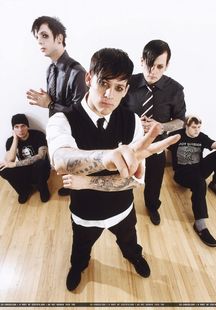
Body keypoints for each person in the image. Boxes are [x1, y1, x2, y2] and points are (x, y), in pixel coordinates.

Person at [46, 48, 180, 291]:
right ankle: (78, 266)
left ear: (126, 89)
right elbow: (62, 159)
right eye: (103, 83)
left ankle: (134, 257)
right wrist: (109, 158)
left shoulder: (133, 123)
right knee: (80, 251)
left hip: (123, 210)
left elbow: (134, 183)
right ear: (88, 78)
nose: (109, 94)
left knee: (130, 243)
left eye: (119, 87)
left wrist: (86, 182)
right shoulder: (61, 120)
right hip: (84, 214)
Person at [122, 39, 186, 225]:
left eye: (159, 66)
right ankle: (124, 207)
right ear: (141, 60)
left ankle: (151, 206)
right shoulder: (128, 83)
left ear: (166, 66)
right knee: (125, 174)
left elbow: (181, 121)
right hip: (129, 142)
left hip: (157, 144)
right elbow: (116, 110)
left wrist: (161, 126)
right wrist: (134, 123)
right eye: (150, 65)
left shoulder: (175, 90)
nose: (153, 71)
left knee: (154, 178)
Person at [26, 16, 88, 196]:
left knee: (76, 170)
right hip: (57, 129)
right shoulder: (50, 69)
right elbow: (53, 105)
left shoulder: (77, 72)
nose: (40, 42)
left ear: (59, 38)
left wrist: (50, 103)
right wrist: (47, 102)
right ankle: (70, 186)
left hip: (74, 134)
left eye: (45, 36)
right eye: (38, 38)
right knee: (64, 168)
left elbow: (80, 114)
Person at [168, 115, 216, 247]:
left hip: (199, 169)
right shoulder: (176, 135)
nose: (197, 130)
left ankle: (215, 184)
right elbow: (162, 145)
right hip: (182, 174)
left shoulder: (201, 136)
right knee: (199, 183)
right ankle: (200, 225)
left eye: (199, 127)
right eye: (194, 127)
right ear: (186, 126)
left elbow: (214, 144)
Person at [0, 114, 51, 204]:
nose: (20, 130)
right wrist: (15, 139)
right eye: (17, 127)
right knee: (3, 169)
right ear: (13, 129)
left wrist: (15, 164)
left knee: (41, 163)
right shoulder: (10, 141)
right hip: (25, 170)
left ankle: (42, 187)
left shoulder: (38, 135)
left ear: (27, 126)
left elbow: (41, 156)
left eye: (23, 126)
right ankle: (24, 191)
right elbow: (9, 160)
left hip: (40, 170)